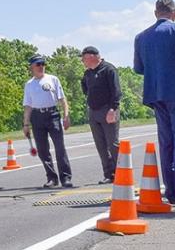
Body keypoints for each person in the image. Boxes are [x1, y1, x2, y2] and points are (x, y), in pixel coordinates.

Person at [133, 0, 175, 205]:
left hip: (155, 94)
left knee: (165, 142)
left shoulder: (141, 37)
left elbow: (139, 69)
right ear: (174, 13)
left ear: (155, 13)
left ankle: (171, 191)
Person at [22, 54, 73, 188]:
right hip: (37, 117)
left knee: (60, 147)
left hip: (53, 114)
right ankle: (52, 178)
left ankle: (66, 177)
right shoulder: (29, 84)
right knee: (43, 150)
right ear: (32, 67)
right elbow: (28, 106)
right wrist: (26, 124)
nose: (41, 67)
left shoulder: (53, 79)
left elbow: (62, 99)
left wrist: (66, 115)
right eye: (38, 64)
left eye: (43, 64)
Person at [79, 46, 121, 184]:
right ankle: (109, 174)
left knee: (113, 143)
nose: (82, 62)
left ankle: (122, 172)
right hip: (94, 112)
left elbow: (116, 91)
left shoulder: (108, 69)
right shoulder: (87, 74)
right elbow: (85, 89)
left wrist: (112, 109)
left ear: (91, 57)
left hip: (108, 110)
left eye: (83, 59)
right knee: (100, 145)